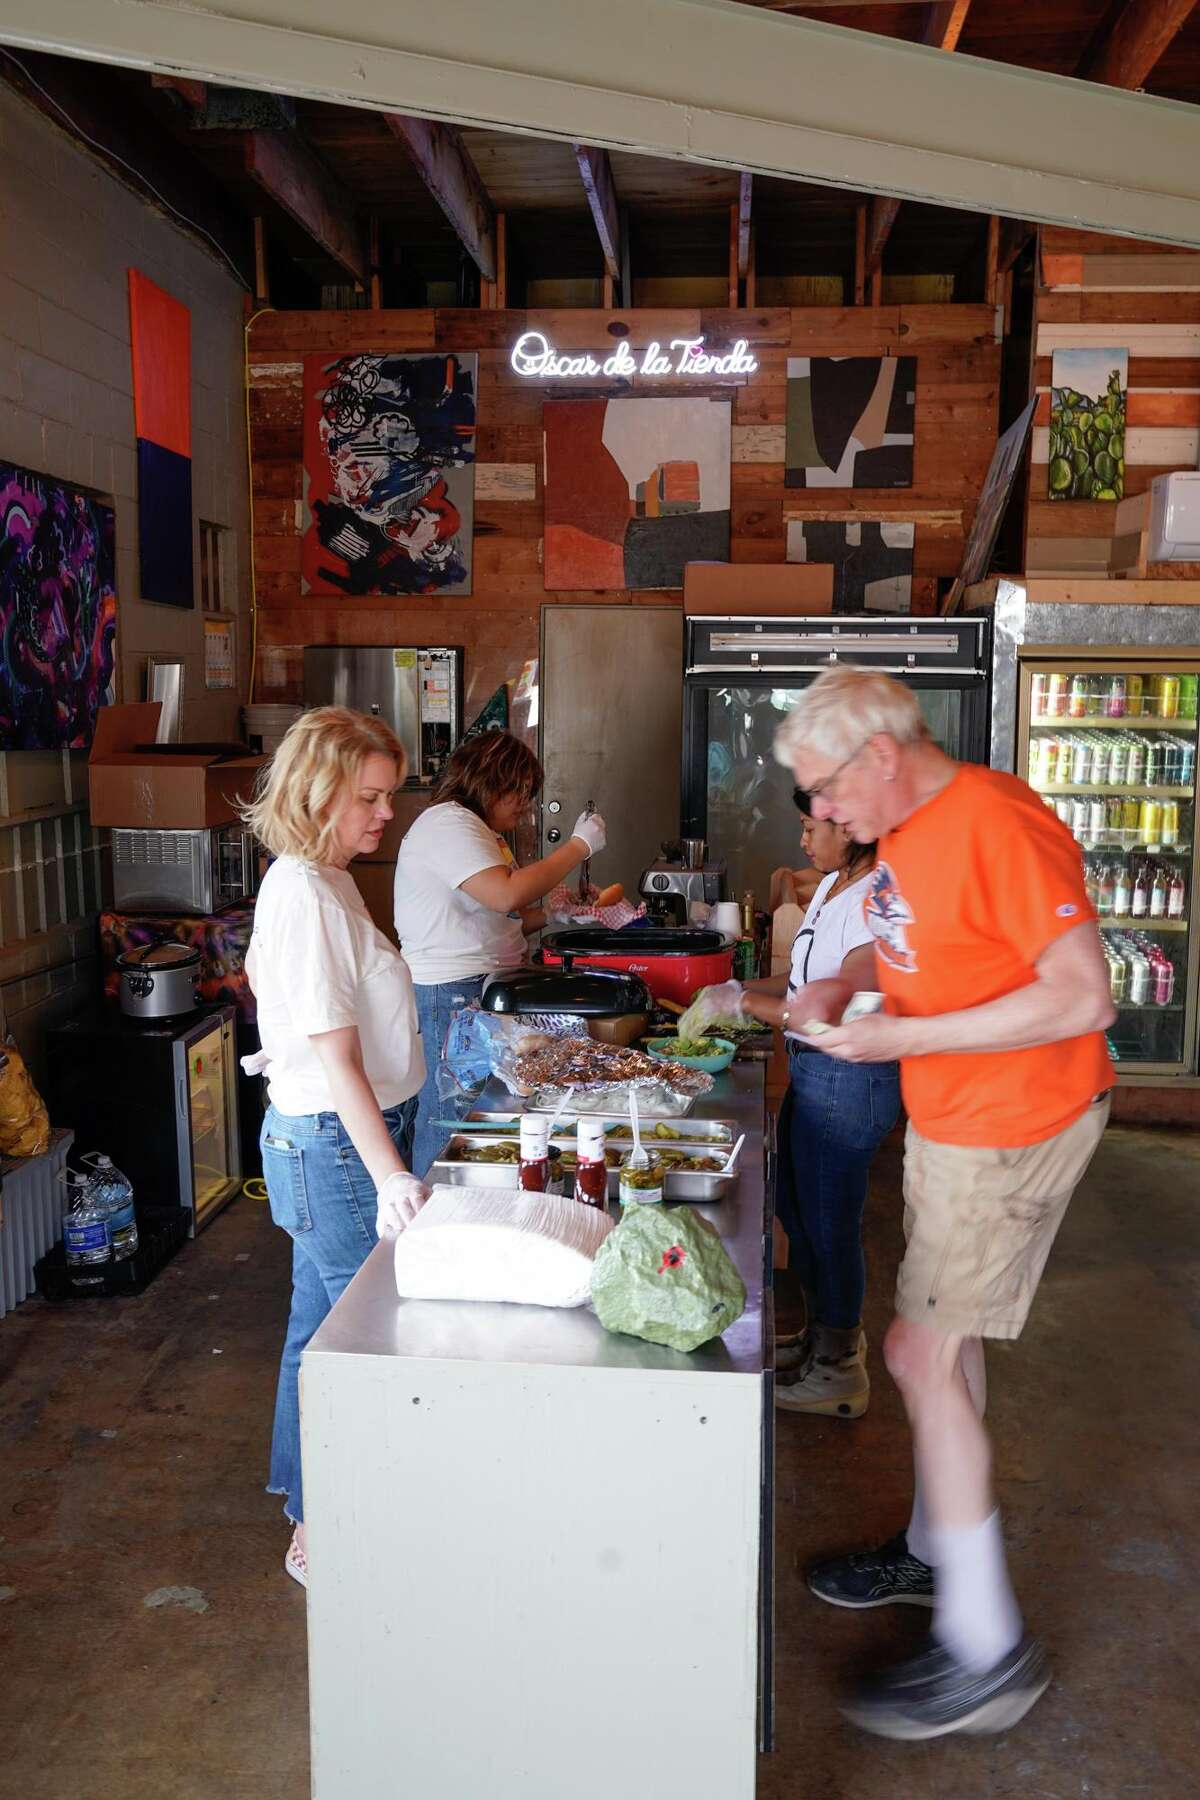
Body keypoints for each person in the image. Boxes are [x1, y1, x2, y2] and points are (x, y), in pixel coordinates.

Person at [772, 666, 1114, 1740]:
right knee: (945, 1349)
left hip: (1014, 1123)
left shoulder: (996, 820)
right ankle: (934, 1551)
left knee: (920, 1356)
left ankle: (986, 1651)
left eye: (823, 788)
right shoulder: (909, 835)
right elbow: (923, 941)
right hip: (953, 1118)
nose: (819, 812)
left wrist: (898, 1036)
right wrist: (845, 981)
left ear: (879, 755)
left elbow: (1079, 991)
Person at [245, 707, 429, 1591]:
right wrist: (389, 1174)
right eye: (370, 797)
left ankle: (313, 1513)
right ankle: (339, 1521)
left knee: (317, 1334)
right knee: (368, 1341)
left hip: (343, 1139)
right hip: (335, 1146)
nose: (385, 813)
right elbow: (336, 1056)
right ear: (318, 791)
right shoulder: (307, 894)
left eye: (388, 796)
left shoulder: (330, 877)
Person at [685, 788, 899, 1418]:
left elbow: (834, 1005)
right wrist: (738, 987)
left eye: (812, 828)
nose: (803, 841)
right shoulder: (832, 889)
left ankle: (841, 1368)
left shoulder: (875, 902)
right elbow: (802, 984)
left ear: (853, 828)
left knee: (832, 1224)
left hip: (850, 1079)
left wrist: (746, 1006)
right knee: (799, 1215)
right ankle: (820, 1337)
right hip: (812, 1072)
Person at [393, 730, 606, 1176]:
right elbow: (505, 895)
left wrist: (552, 914)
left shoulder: (477, 831)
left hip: (485, 985)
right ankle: (435, 1204)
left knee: (490, 1103)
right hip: (453, 992)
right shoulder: (447, 823)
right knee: (456, 1110)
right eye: (520, 792)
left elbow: (495, 920)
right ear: (491, 780)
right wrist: (578, 847)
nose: (525, 805)